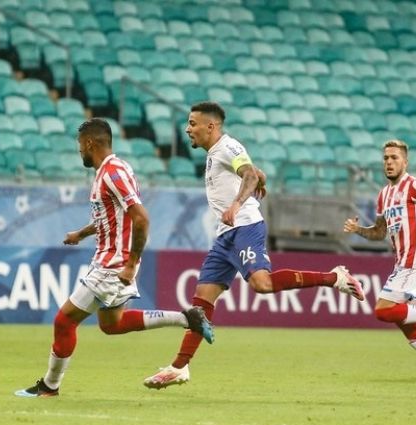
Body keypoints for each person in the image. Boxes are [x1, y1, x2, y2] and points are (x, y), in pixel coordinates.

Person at [143, 101, 365, 389]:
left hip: (245, 226)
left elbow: (247, 173)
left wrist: (237, 202)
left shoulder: (227, 146)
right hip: (225, 235)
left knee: (262, 285)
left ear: (211, 126)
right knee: (201, 302)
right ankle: (179, 367)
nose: (188, 129)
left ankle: (335, 278)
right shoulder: (216, 153)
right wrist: (259, 177)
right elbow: (253, 172)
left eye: (192, 123)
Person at [15, 118, 214, 397]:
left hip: (113, 264)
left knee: (64, 321)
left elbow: (141, 219)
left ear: (89, 143)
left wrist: (131, 263)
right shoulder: (111, 171)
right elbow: (113, 217)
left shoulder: (112, 172)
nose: (79, 152)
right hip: (113, 261)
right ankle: (187, 318)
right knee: (112, 324)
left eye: (80, 146)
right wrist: (82, 234)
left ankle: (49, 386)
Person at [343, 139, 416, 380]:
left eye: (394, 158)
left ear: (405, 162)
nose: (389, 162)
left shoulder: (415, 186)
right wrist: (358, 230)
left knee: (383, 311)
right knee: (402, 318)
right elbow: (379, 232)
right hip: (401, 263)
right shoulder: (383, 195)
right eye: (386, 158)